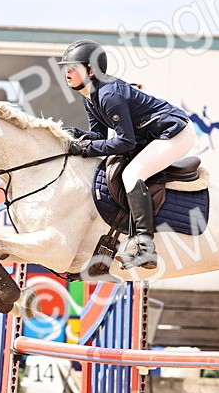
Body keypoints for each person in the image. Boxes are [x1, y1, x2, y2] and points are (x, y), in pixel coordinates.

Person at [58, 39, 194, 270]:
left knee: (132, 174)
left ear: (91, 70)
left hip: (174, 132)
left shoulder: (109, 95)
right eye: (66, 68)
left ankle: (145, 248)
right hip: (153, 135)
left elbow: (125, 141)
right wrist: (72, 136)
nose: (67, 72)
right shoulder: (89, 96)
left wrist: (86, 149)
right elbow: (99, 135)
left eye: (74, 67)